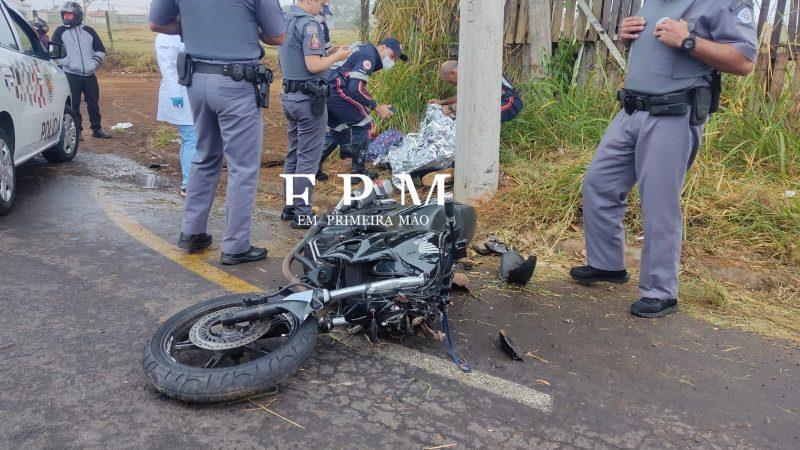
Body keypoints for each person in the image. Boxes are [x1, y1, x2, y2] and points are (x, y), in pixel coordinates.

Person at [570, 1, 757, 318]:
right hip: (631, 110)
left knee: (659, 202)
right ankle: (606, 265)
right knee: (598, 183)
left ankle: (660, 292)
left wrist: (689, 41)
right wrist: (628, 37)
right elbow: (656, 52)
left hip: (673, 114)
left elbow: (744, 60)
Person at [148, 0, 286, 266]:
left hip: (197, 80)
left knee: (205, 155)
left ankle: (192, 232)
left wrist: (196, 27)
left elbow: (157, 23)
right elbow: (277, 35)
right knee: (242, 167)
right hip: (235, 84)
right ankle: (236, 246)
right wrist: (241, 28)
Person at [278, 0, 350, 229]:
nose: (324, 6)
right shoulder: (310, 25)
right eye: (321, 2)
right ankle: (303, 213)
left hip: (290, 96)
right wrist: (337, 58)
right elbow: (313, 66)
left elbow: (300, 55)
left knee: (293, 154)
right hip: (308, 100)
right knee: (308, 159)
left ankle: (290, 207)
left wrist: (326, 52)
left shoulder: (286, 19)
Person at [315, 37, 407, 181]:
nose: (393, 61)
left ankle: (313, 167)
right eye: (392, 56)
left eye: (396, 59)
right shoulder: (369, 55)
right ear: (382, 47)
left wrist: (365, 104)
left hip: (326, 89)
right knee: (364, 123)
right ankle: (358, 172)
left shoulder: (365, 51)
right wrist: (376, 106)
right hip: (336, 88)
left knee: (340, 128)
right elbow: (355, 89)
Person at [51, 2, 112, 140]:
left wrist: (94, 63)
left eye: (69, 14)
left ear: (77, 16)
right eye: (64, 14)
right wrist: (68, 63)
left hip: (90, 75)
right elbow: (55, 52)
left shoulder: (89, 31)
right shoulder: (60, 31)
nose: (66, 17)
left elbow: (100, 49)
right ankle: (77, 131)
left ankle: (97, 129)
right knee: (74, 104)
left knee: (93, 102)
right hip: (71, 75)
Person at [154, 33, 196, 198]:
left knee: (188, 139)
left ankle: (189, 182)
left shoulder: (185, 32)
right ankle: (189, 184)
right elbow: (168, 68)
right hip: (179, 94)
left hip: (188, 91)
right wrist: (175, 93)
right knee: (191, 138)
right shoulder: (166, 38)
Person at [430, 60, 523, 123]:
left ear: (454, 72)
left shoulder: (476, 72)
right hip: (494, 100)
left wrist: (450, 108)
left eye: (450, 81)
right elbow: (465, 97)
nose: (453, 84)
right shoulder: (468, 73)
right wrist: (442, 102)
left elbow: (475, 99)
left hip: (509, 101)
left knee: (482, 118)